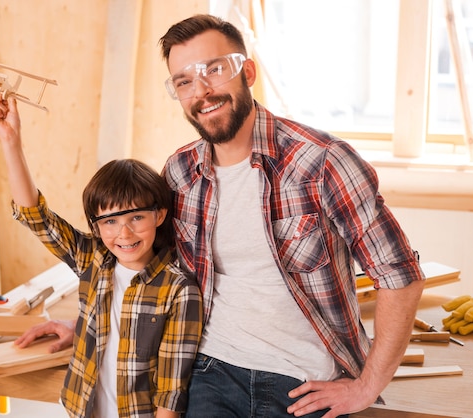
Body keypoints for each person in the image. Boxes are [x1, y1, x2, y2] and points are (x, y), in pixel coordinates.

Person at [158, 14, 426, 418]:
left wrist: (367, 387)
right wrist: (89, 323)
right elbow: (153, 268)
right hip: (210, 369)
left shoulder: (321, 162)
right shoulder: (179, 173)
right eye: (184, 81)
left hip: (306, 382)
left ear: (246, 71)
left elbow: (400, 277)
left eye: (214, 69)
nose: (202, 90)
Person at [0, 94, 203, 418]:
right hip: (81, 408)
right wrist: (10, 141)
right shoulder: (93, 258)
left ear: (159, 215)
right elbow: (36, 218)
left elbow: (171, 391)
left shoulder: (179, 288)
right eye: (110, 221)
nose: (124, 233)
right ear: (96, 225)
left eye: (137, 218)